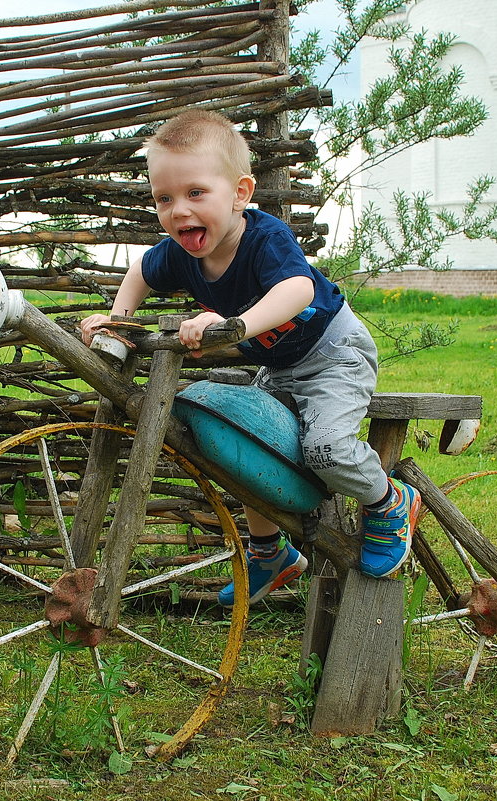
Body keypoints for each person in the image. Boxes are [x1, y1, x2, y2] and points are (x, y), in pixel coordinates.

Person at [79, 109, 421, 606]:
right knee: (246, 450)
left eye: (196, 193)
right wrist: (118, 320)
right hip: (279, 365)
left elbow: (299, 289)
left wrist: (229, 327)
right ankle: (270, 553)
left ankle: (389, 501)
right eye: (164, 198)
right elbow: (141, 272)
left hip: (334, 354)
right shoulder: (180, 252)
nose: (179, 210)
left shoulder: (265, 239)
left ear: (240, 194)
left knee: (325, 447)